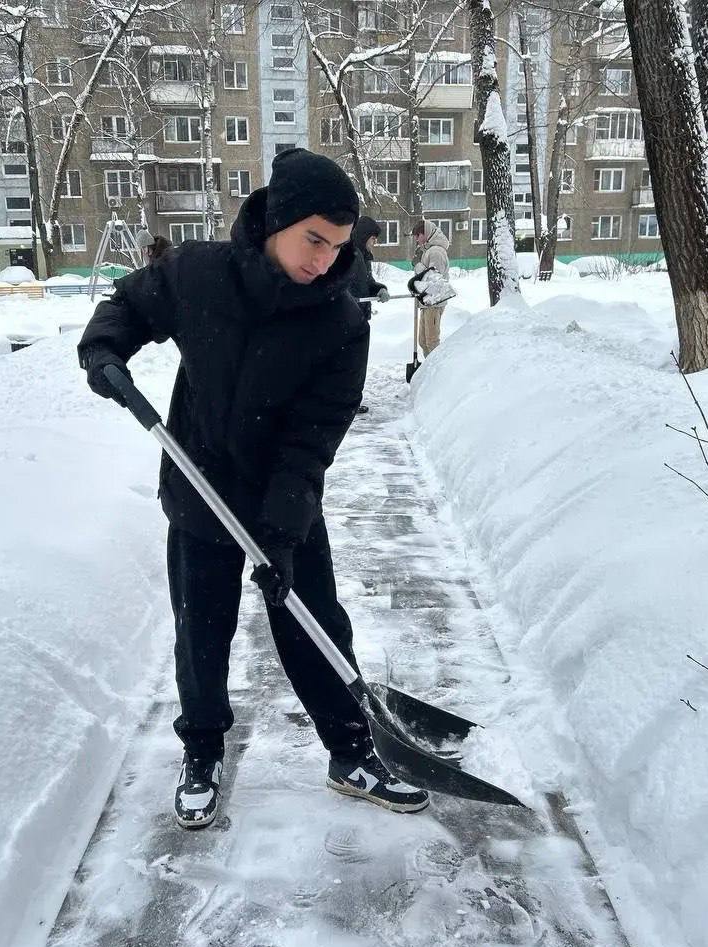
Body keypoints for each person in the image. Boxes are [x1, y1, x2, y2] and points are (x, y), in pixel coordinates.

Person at [78, 148, 430, 830]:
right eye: (314, 240)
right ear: (279, 219)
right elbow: (129, 303)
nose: (325, 259)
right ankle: (202, 751)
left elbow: (315, 433)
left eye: (337, 245)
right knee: (201, 633)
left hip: (282, 498)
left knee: (312, 621)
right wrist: (105, 346)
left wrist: (284, 520)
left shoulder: (340, 319)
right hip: (199, 489)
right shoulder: (198, 274)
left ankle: (352, 750)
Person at [348, 217, 390, 416]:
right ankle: (347, 402)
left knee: (357, 364)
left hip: (360, 317)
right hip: (347, 319)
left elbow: (368, 282)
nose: (374, 243)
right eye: (373, 239)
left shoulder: (364, 256)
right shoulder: (348, 254)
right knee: (350, 365)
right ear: (364, 236)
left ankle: (352, 400)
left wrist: (380, 289)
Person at [411, 220, 450, 357]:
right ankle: (428, 371)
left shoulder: (436, 252)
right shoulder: (428, 250)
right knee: (423, 341)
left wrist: (418, 265)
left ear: (425, 234)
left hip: (435, 301)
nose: (416, 239)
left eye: (417, 235)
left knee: (432, 342)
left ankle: (436, 373)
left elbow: (434, 278)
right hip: (427, 301)